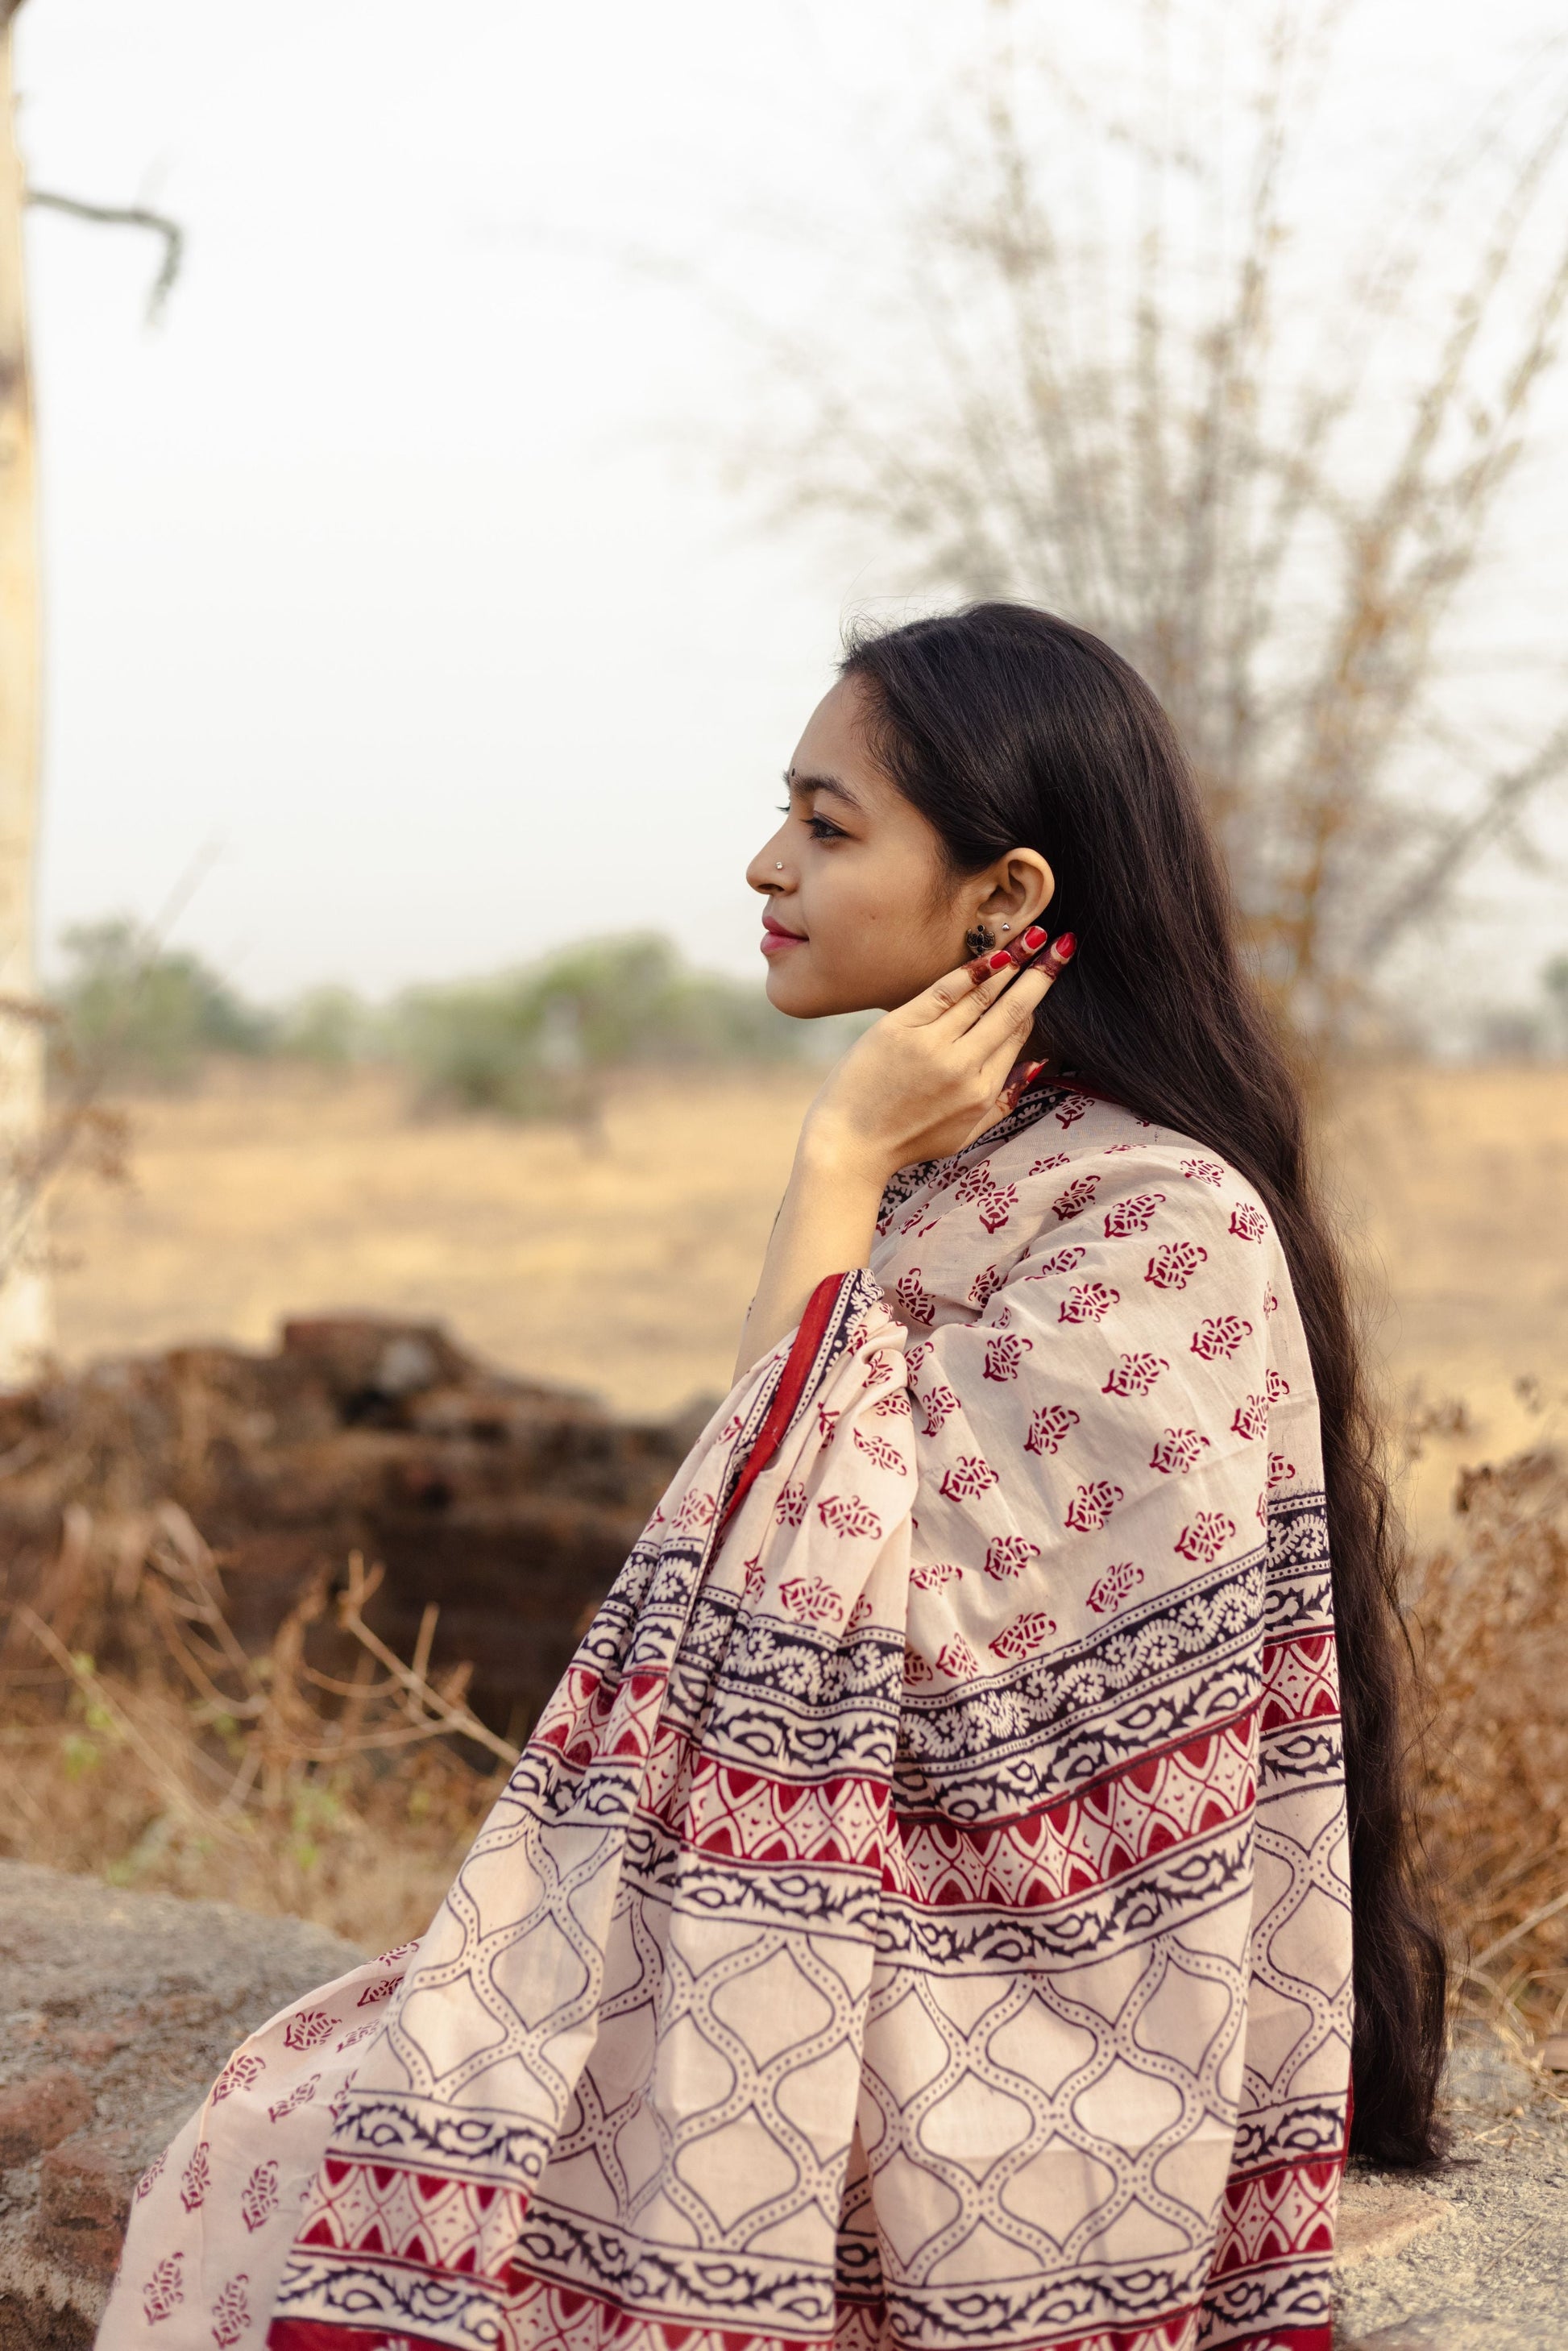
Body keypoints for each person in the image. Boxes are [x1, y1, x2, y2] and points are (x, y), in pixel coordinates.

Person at [101, 604, 1446, 2351]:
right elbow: (774, 1534)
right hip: (842, 1917)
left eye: (826, 823)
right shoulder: (957, 1165)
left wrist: (837, 1148)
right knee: (327, 2104)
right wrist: (850, 1155)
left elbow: (974, 1688)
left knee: (399, 2141)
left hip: (1029, 2002)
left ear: (1003, 896)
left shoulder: (1162, 1221)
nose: (766, 861)